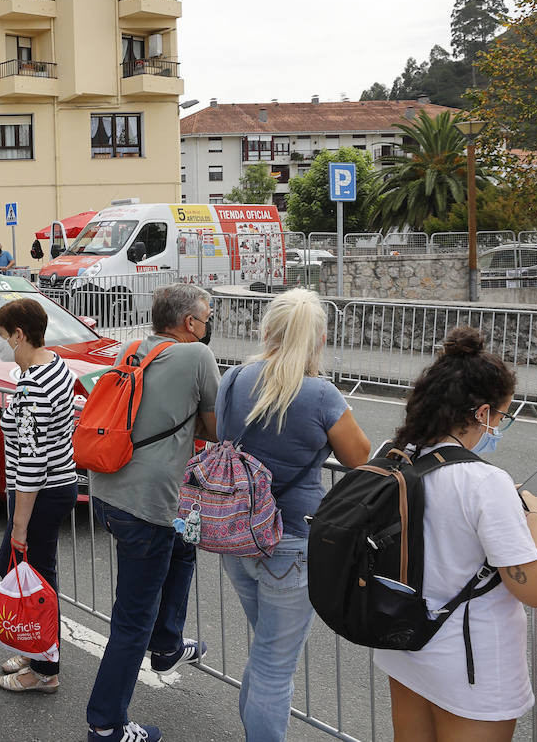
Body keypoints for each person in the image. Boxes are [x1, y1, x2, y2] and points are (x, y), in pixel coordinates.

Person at [374, 327, 537, 741]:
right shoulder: (484, 482)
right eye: (502, 416)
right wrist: (532, 514)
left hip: (405, 645)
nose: (500, 427)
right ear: (482, 413)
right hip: (470, 666)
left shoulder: (395, 456)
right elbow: (534, 588)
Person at [214, 289, 370, 741]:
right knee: (273, 664)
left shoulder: (235, 378)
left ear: (266, 331)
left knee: (266, 654)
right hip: (291, 543)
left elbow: (219, 435)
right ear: (318, 339)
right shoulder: (321, 394)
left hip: (236, 533)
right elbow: (361, 458)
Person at [85, 283, 220, 742]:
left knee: (183, 544)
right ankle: (106, 724)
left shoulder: (135, 348)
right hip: (146, 506)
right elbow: (216, 426)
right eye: (205, 319)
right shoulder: (197, 356)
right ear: (189, 324)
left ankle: (166, 645)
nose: (207, 326)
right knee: (131, 621)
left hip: (108, 491)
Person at [0, 298, 79, 694]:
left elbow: (31, 460)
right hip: (58, 484)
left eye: (3, 335)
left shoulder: (32, 384)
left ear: (20, 335)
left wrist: (20, 523)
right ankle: (35, 648)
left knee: (35, 580)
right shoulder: (54, 365)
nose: (1, 343)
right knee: (31, 575)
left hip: (39, 492)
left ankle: (45, 670)